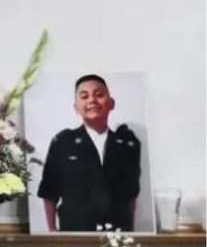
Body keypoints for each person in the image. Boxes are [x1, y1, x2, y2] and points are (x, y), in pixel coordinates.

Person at [37, 74, 142, 232]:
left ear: (111, 103)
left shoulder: (127, 145)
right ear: (76, 107)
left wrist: (131, 232)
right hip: (74, 234)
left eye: (99, 95)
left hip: (116, 235)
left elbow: (131, 196)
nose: (92, 100)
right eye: (84, 96)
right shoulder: (63, 142)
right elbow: (49, 193)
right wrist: (52, 233)